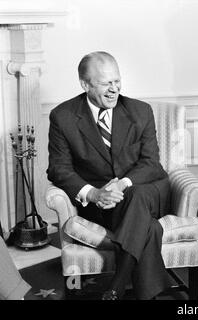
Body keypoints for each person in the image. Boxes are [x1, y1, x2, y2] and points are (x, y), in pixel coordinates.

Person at [47, 51, 171, 300]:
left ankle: (116, 286)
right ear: (85, 84)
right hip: (102, 204)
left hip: (145, 190)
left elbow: (151, 164)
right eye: (106, 83)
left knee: (135, 195)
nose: (114, 89)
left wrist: (122, 184)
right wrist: (94, 194)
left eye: (117, 81)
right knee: (150, 228)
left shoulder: (140, 111)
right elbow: (58, 169)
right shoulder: (63, 116)